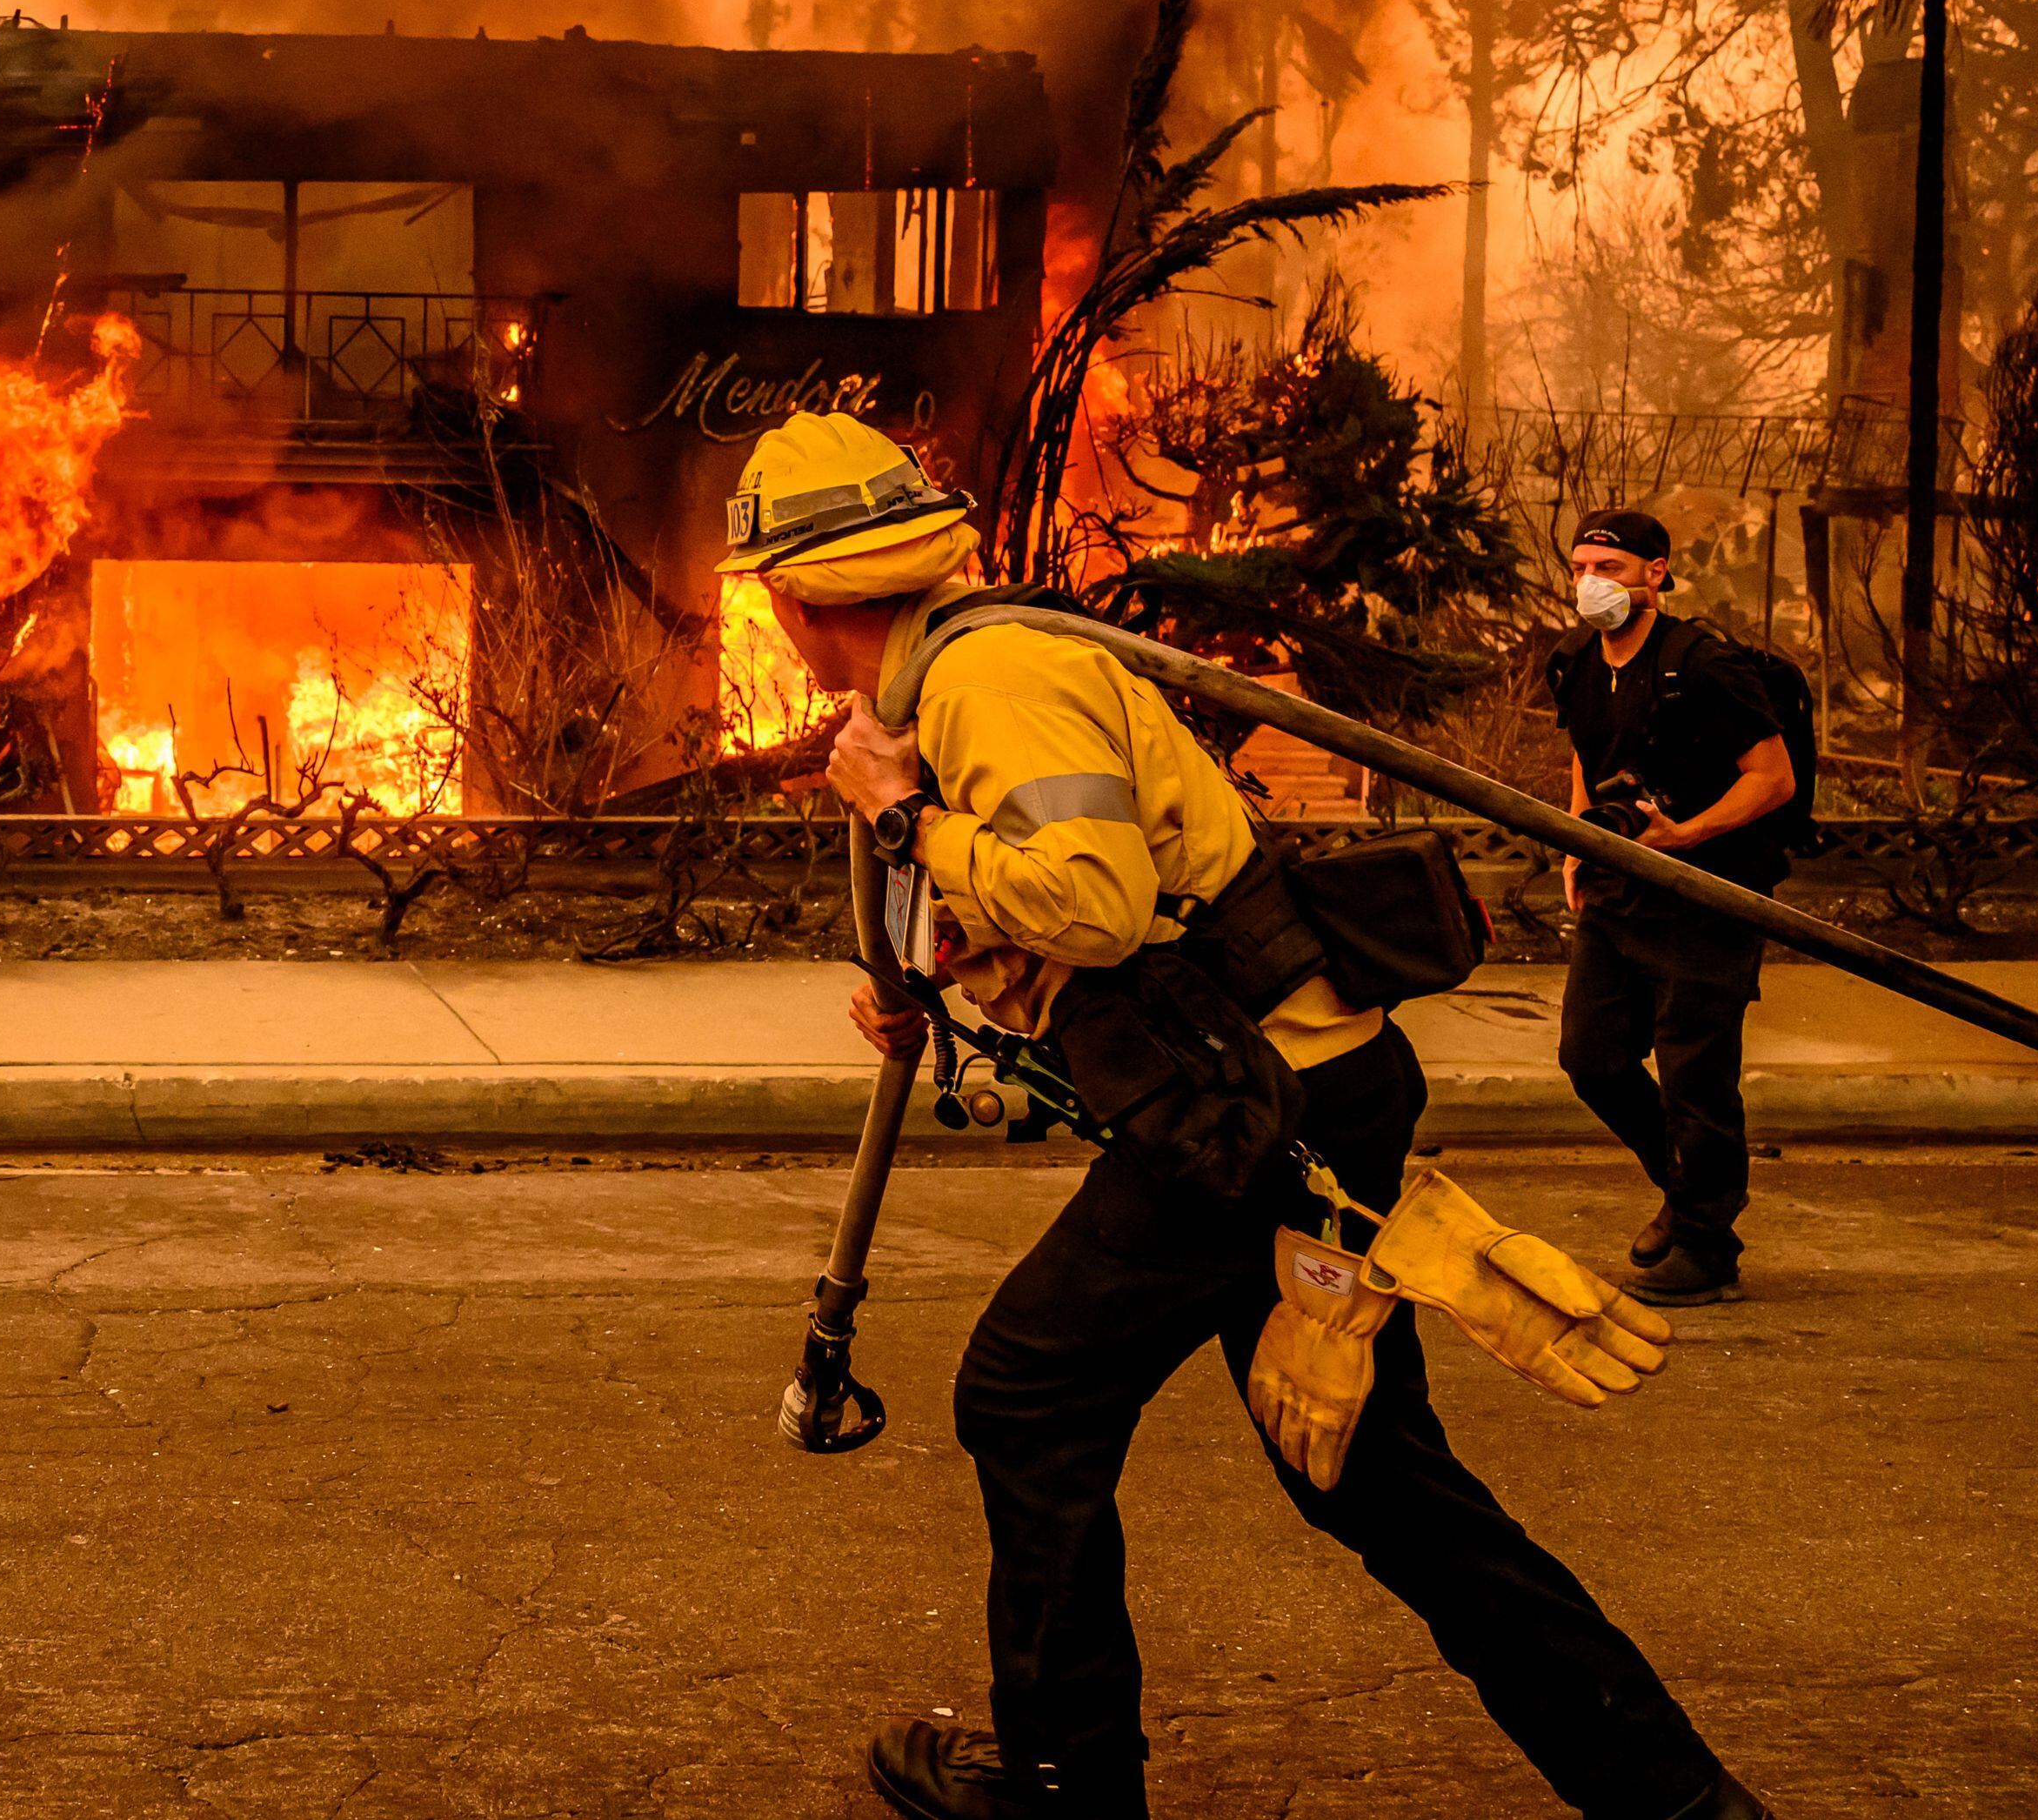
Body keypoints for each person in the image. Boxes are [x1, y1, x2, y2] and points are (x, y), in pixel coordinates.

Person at [722, 413, 1769, 1820]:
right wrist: (944, 964)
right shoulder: (963, 677)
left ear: (792, 601)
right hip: (1290, 1087)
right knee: (1376, 1486)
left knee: (1026, 1392)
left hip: (1257, 1109)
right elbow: (1084, 891)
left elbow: (1089, 903)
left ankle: (1063, 1783)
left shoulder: (991, 684)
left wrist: (907, 820)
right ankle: (1679, 1802)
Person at [1547, 509, 1800, 1307]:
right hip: (1616, 891)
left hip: (1707, 895)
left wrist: (1685, 835)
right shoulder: (1575, 660)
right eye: (1582, 567)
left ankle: (1706, 1243)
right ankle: (1690, 1194)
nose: (1593, 583)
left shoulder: (1705, 665)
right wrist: (1576, 842)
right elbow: (1589, 759)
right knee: (1591, 1057)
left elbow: (1772, 778)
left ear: (1656, 573)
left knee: (1697, 1073)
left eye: (1611, 570)